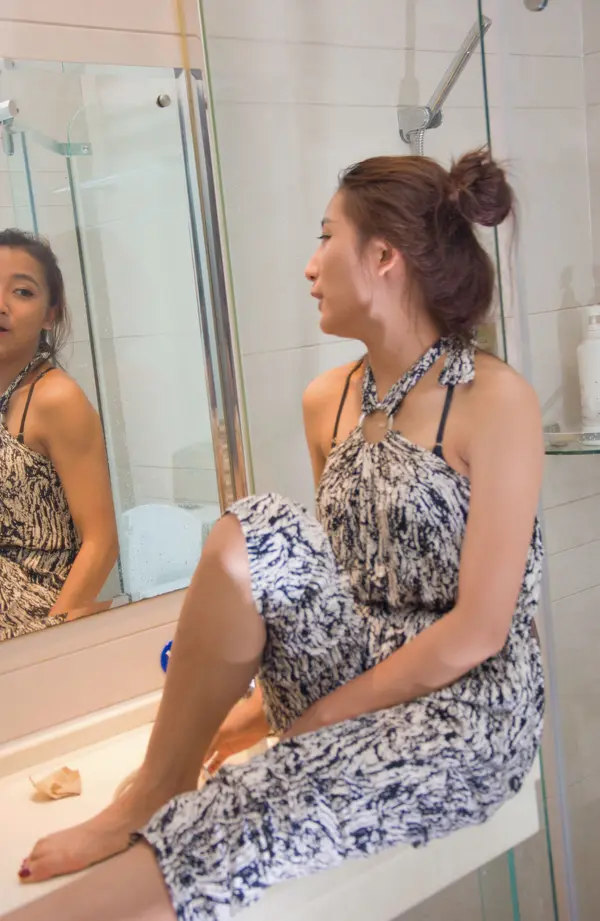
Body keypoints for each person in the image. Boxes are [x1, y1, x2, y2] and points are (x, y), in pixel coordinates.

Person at [10, 149, 545, 921]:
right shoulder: (326, 400)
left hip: (470, 703)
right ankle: (156, 786)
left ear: (384, 256)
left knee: (263, 793)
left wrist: (321, 718)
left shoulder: (495, 400)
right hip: (360, 668)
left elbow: (482, 629)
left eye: (326, 236)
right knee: (253, 526)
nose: (310, 264)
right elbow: (336, 593)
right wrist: (261, 709)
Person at [0, 229, 118, 641]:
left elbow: (101, 541)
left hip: (32, 622)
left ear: (50, 314)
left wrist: (53, 641)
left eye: (22, 292)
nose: (1, 305)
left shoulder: (55, 398)